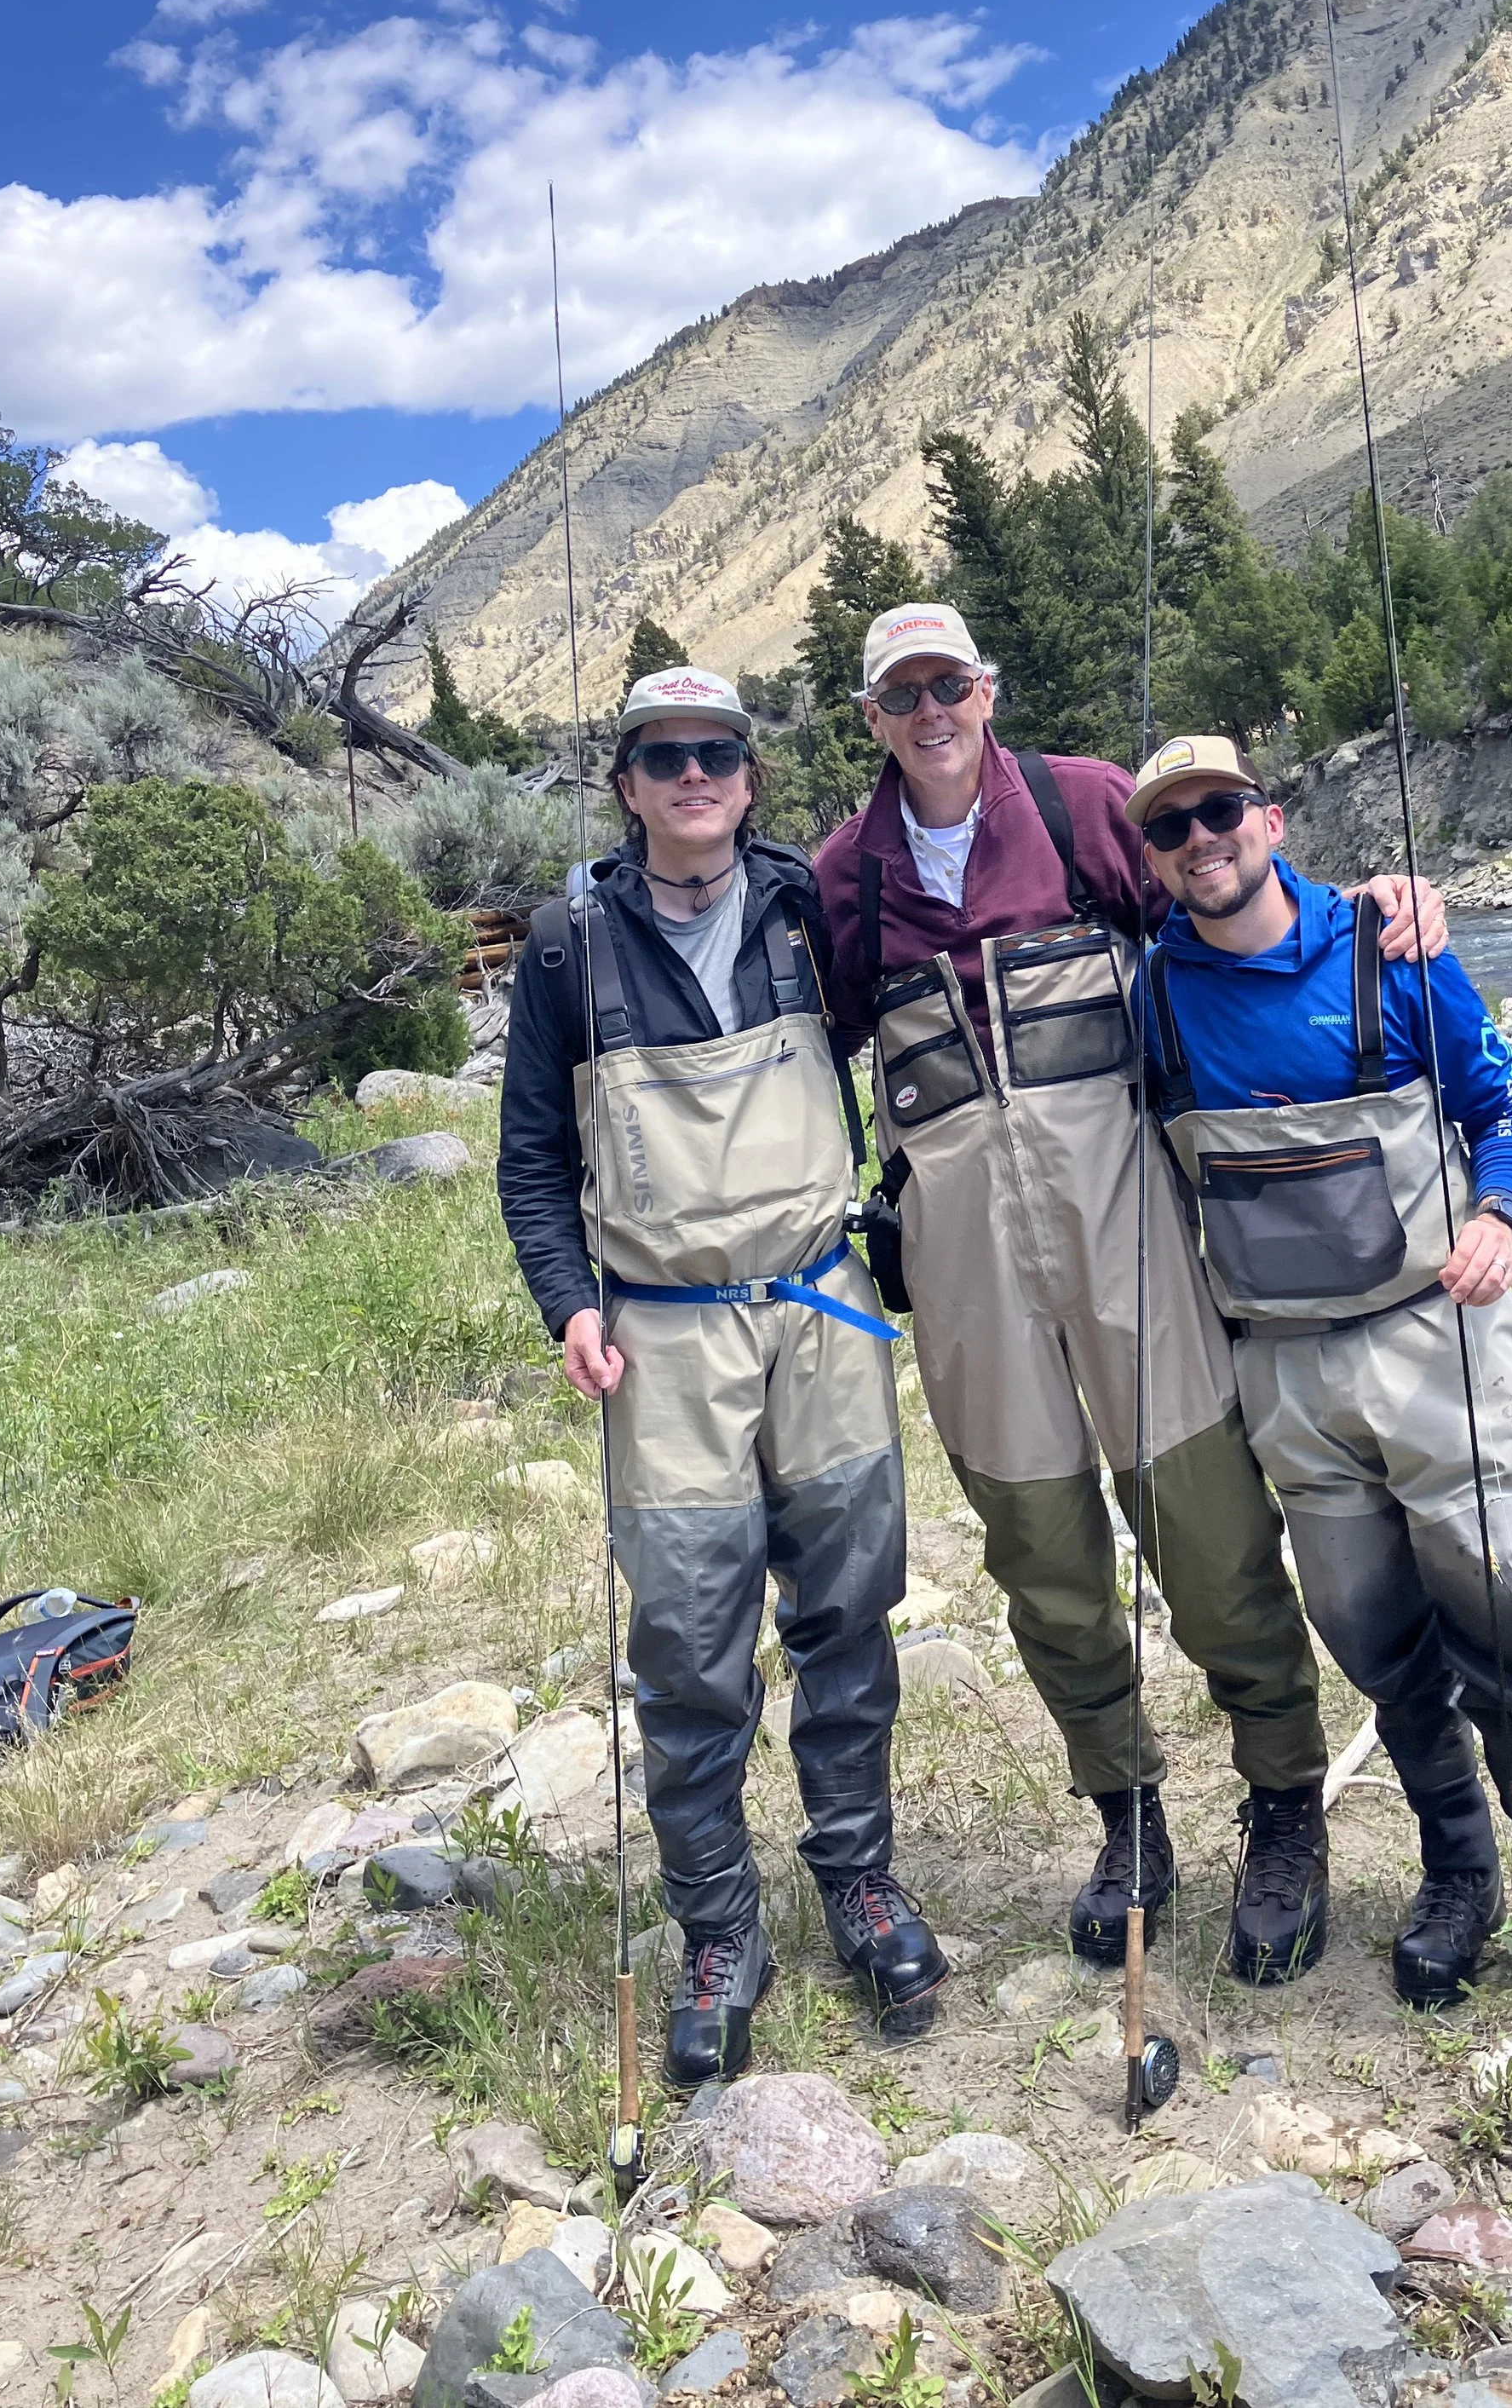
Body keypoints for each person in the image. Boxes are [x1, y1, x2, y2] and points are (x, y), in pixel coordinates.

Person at [813, 602, 1449, 1985]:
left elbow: (1233, 901)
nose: (930, 712)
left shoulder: (1085, 805)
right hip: (968, 1271)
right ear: (871, 719)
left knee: (1214, 1539)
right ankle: (1128, 1813)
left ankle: (1284, 1808)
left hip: (1133, 1236)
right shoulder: (842, 878)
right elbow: (800, 1039)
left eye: (948, 683)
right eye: (902, 695)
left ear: (986, 689)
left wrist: (1376, 914)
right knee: (1042, 1558)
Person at [1128, 732, 1512, 2013]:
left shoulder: (1389, 946)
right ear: (1151, 859)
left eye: (1221, 811)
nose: (1201, 839)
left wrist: (1502, 1214)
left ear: (1271, 820)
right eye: (1171, 827)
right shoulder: (1148, 994)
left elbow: (1507, 1105)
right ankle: (1457, 1868)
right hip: (1282, 1371)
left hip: (1438, 1339)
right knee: (1371, 1632)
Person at [498, 665, 946, 2086]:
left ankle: (859, 1879)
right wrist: (568, 1307)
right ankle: (717, 1930)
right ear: (626, 785)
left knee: (849, 1609)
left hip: (821, 1309)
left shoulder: (814, 909)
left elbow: (972, 933)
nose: (693, 776)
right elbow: (530, 1162)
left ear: (750, 781)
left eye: (716, 754)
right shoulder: (565, 946)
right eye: (664, 757)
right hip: (664, 1335)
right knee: (689, 1646)